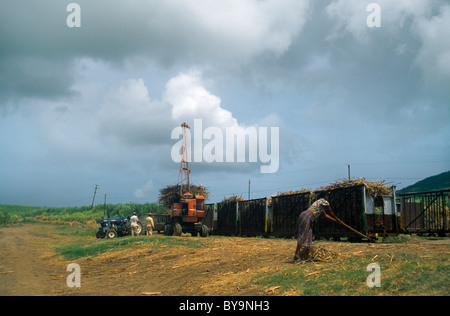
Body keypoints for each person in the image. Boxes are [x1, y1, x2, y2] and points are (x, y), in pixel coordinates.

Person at [294, 192, 340, 261]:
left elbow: (326, 216)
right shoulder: (324, 202)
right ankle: (296, 255)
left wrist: (335, 221)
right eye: (327, 196)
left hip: (304, 216)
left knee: (309, 235)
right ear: (325, 196)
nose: (328, 198)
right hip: (307, 216)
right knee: (303, 235)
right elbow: (331, 213)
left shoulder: (319, 204)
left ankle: (309, 256)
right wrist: (337, 219)